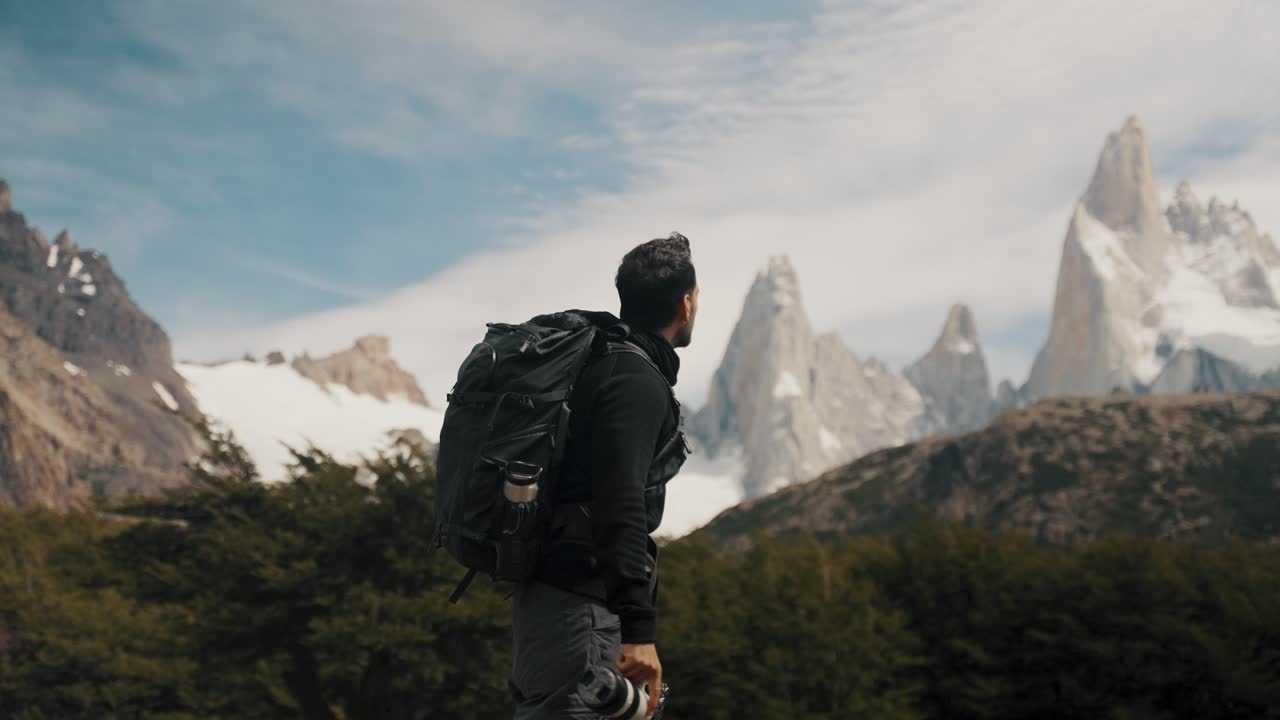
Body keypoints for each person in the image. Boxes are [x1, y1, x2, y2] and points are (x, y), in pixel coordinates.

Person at [508, 233, 699, 719]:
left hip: (554, 608)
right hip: (584, 617)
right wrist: (639, 630)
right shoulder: (633, 380)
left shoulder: (600, 367)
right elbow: (619, 502)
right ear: (686, 303)